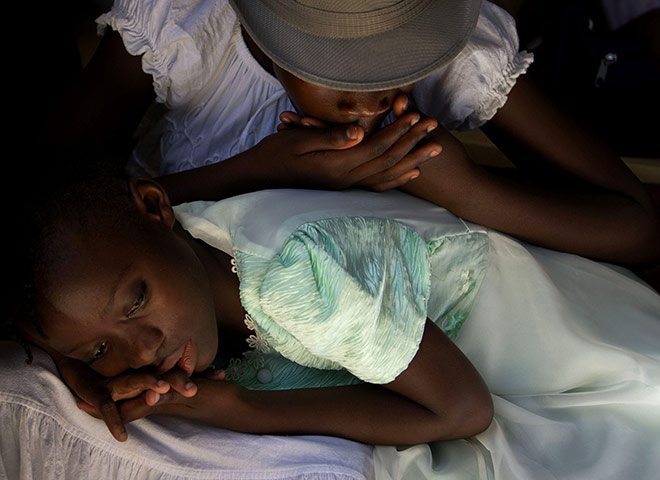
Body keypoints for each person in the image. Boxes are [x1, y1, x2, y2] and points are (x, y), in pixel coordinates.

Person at [7, 157, 660, 479]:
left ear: (156, 208)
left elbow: (464, 412)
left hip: (549, 359)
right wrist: (85, 370)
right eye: (96, 352)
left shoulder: (295, 281)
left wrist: (234, 411)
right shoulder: (192, 240)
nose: (140, 349)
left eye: (136, 301)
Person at [44, 0, 659, 274]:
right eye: (340, 68)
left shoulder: (457, 59)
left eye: (399, 55)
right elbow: (47, 204)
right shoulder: (183, 28)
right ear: (268, 28)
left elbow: (637, 228)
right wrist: (256, 171)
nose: (378, 93)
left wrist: (461, 187)